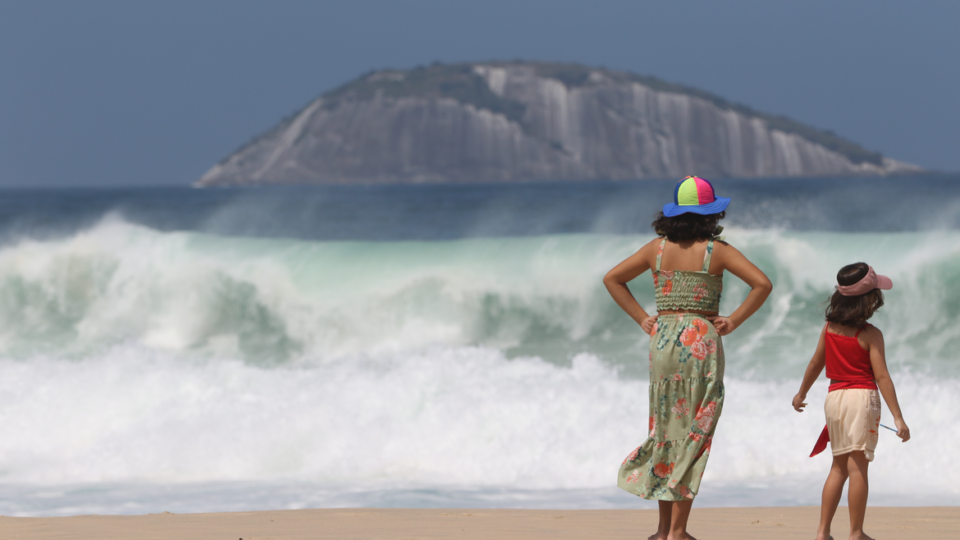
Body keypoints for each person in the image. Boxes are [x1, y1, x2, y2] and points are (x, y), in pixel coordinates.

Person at [604, 176, 772, 540]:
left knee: (667, 431)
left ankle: (664, 530)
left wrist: (642, 318)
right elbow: (763, 284)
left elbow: (613, 279)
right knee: (695, 434)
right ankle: (679, 531)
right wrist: (733, 321)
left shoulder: (657, 249)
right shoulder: (718, 250)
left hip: (662, 340)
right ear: (711, 215)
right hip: (701, 343)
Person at [792, 263, 910, 540]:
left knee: (838, 467)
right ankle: (856, 533)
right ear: (869, 300)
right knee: (858, 468)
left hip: (834, 399)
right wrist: (898, 417)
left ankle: (823, 532)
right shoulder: (870, 334)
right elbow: (882, 377)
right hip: (861, 399)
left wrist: (802, 393)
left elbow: (815, 362)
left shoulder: (829, 328)